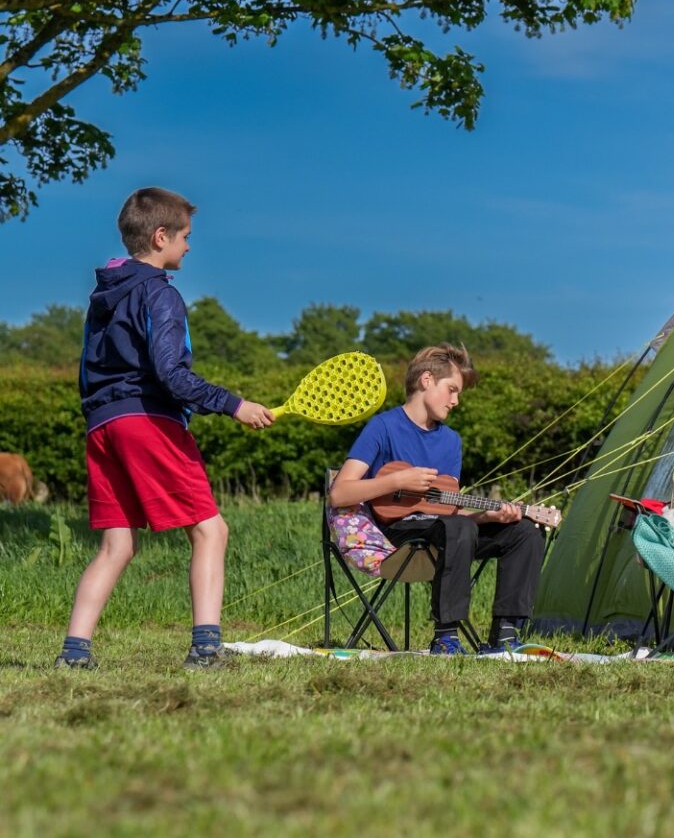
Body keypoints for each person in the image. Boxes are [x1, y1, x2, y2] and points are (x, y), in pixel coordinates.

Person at [62, 188, 277, 670]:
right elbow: (171, 374)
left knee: (117, 545)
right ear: (161, 237)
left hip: (102, 426)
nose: (189, 246)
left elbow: (86, 371)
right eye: (186, 237)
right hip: (146, 422)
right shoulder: (160, 293)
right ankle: (205, 648)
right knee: (210, 530)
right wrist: (233, 404)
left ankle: (74, 653)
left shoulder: (103, 297)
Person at [328, 344, 542, 654]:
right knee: (457, 529)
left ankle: (506, 635)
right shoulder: (383, 427)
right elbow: (339, 492)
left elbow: (448, 509)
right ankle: (446, 636)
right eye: (452, 390)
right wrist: (397, 480)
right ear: (427, 380)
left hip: (446, 532)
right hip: (399, 534)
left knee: (525, 532)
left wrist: (486, 518)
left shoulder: (450, 441)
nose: (456, 401)